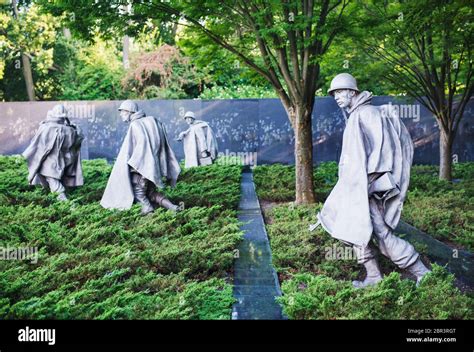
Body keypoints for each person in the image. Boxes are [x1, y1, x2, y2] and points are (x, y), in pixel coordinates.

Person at [311, 73, 431, 288]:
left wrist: (366, 185)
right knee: (353, 229)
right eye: (334, 93)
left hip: (367, 187)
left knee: (381, 234)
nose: (336, 97)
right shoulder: (357, 114)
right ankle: (374, 276)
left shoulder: (367, 113)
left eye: (340, 92)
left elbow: (383, 152)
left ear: (352, 91)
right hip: (357, 187)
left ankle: (422, 272)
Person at [100, 100, 181, 215]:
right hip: (153, 167)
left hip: (141, 168)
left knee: (139, 194)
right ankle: (173, 207)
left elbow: (141, 147)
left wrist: (134, 165)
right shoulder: (152, 121)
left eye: (122, 112)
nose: (120, 114)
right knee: (151, 193)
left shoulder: (135, 124)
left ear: (129, 111)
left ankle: (149, 215)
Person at [23, 104, 84, 201]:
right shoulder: (71, 130)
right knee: (49, 179)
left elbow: (38, 144)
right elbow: (76, 144)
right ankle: (50, 198)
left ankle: (66, 203)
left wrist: (25, 156)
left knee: (53, 181)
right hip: (65, 161)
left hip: (51, 161)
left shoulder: (47, 127)